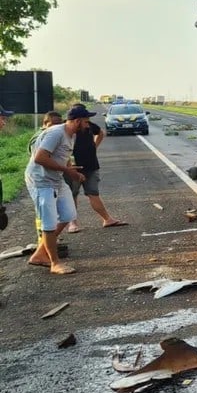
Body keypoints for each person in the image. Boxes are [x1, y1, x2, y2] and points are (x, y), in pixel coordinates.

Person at [25, 105, 97, 274]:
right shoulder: (56, 133)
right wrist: (67, 171)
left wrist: (72, 171)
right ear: (77, 121)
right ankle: (54, 263)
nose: (88, 126)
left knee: (68, 215)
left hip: (56, 179)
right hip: (41, 181)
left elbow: (63, 156)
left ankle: (39, 254)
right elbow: (40, 158)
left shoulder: (71, 135)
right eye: (86, 122)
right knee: (49, 223)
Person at [64, 103, 126, 232]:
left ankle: (107, 219)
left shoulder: (90, 126)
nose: (88, 123)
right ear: (77, 120)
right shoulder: (66, 130)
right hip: (73, 168)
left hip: (91, 165)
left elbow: (100, 133)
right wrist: (69, 165)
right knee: (72, 195)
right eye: (86, 119)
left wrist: (94, 146)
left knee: (93, 193)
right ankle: (72, 223)